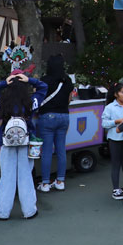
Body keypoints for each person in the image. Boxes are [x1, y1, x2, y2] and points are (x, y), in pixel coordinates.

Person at [0, 72, 48, 220]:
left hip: (6, 143)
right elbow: (44, 87)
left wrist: (4, 82)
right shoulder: (31, 101)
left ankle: (2, 212)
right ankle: (29, 211)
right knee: (26, 176)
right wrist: (30, 80)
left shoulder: (2, 102)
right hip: (26, 142)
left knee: (6, 176)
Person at [37, 54, 73, 193]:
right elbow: (69, 100)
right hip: (64, 116)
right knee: (61, 150)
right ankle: (60, 181)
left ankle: (45, 183)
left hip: (47, 116)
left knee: (46, 151)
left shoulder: (44, 80)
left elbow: (38, 97)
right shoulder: (68, 80)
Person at [101, 82, 123, 200]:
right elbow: (104, 123)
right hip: (114, 139)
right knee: (116, 163)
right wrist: (117, 121)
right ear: (116, 94)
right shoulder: (109, 107)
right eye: (122, 92)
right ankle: (116, 189)